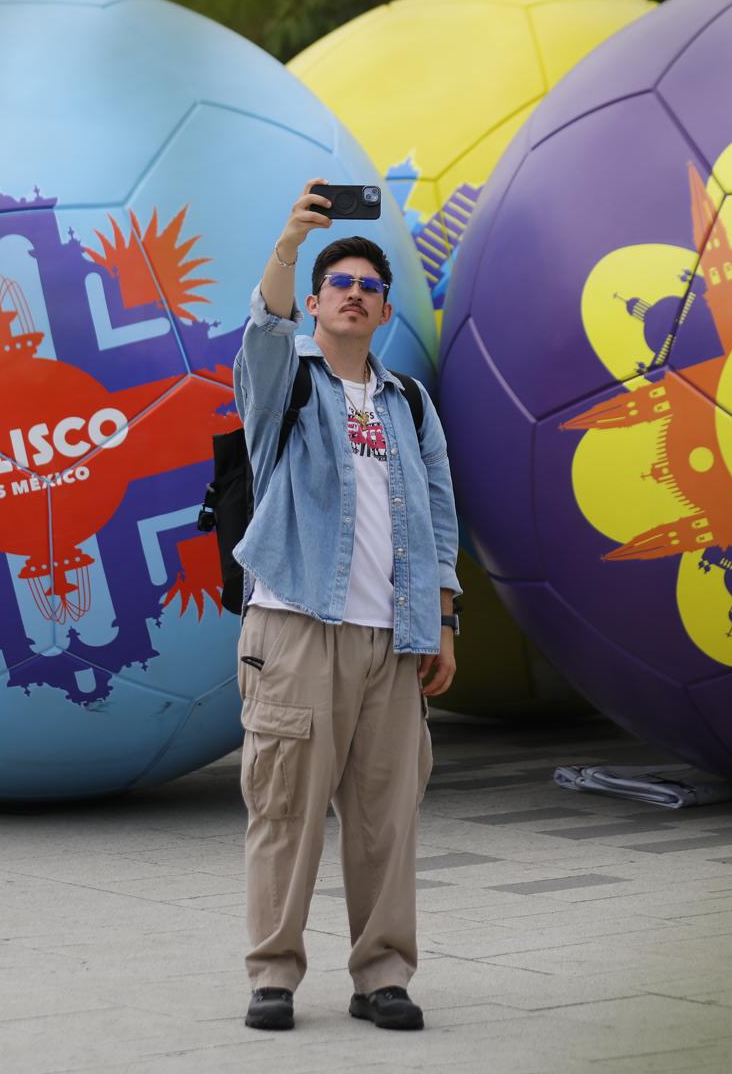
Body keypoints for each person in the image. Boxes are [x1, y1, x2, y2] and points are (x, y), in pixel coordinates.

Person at [232, 178, 461, 1033]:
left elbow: (439, 512)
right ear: (318, 304)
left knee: (385, 820)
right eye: (342, 286)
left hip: (393, 641)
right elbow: (262, 328)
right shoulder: (282, 384)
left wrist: (442, 620)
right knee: (286, 808)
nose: (356, 295)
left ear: (384, 310)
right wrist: (291, 244)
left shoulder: (407, 402)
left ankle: (383, 976)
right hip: (297, 629)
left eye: (370, 287)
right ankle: (274, 976)